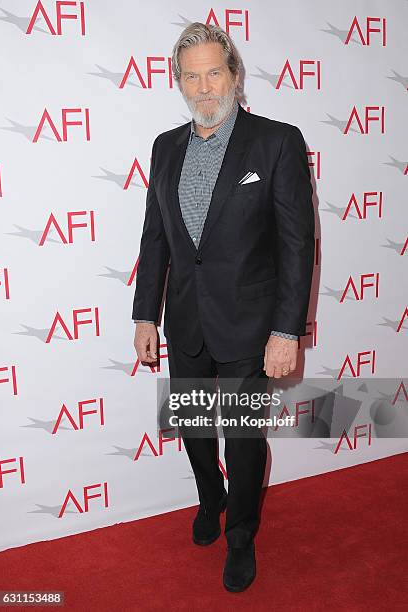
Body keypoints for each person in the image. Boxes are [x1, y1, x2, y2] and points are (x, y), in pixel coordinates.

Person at [132, 22, 315, 592]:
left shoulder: (277, 141)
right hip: (186, 319)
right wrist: (144, 314)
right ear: (177, 82)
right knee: (192, 425)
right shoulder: (165, 146)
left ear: (234, 75)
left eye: (215, 72)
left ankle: (240, 534)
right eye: (192, 75)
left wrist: (287, 331)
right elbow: (154, 239)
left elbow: (296, 243)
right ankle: (208, 496)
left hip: (251, 326)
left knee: (241, 438)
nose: (204, 86)